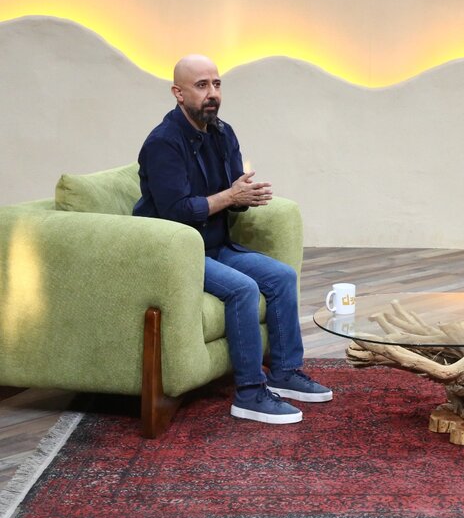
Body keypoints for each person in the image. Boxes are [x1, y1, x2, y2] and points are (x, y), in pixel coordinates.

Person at [134, 54, 331, 425]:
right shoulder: (163, 143)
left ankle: (285, 372)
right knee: (243, 289)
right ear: (178, 93)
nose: (212, 93)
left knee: (282, 277)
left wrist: (244, 196)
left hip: (214, 246)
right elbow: (176, 211)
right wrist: (230, 197)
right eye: (201, 85)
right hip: (175, 253)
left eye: (217, 84)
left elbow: (229, 192)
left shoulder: (223, 133)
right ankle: (250, 394)